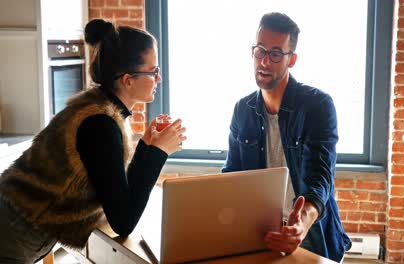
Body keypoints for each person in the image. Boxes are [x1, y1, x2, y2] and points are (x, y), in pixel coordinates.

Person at [0, 19, 186, 263]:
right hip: (11, 233)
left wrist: (147, 148)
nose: (158, 79)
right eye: (154, 71)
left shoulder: (98, 108)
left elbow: (116, 189)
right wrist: (158, 153)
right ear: (128, 79)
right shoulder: (101, 124)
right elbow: (123, 220)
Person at [222, 12, 351, 262]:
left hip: (311, 236)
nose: (264, 61)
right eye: (260, 51)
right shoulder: (242, 109)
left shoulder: (318, 105)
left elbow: (321, 178)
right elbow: (232, 177)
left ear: (291, 60)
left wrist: (300, 224)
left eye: (275, 54)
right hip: (259, 233)